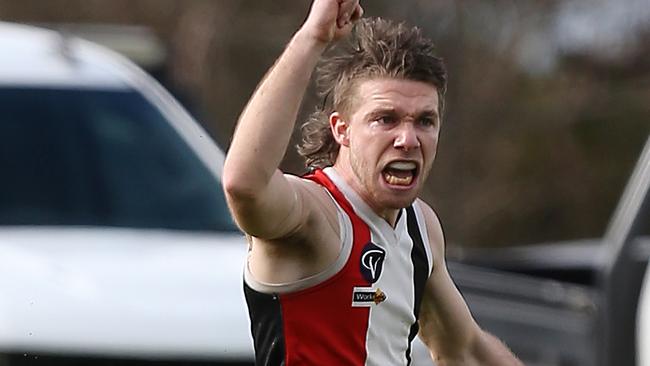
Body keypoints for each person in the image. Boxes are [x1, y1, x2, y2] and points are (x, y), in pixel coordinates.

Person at [223, 0, 523, 365]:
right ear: (342, 129)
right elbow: (244, 184)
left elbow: (466, 351)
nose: (408, 139)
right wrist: (312, 37)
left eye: (425, 121)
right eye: (386, 119)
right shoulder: (316, 217)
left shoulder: (420, 228)